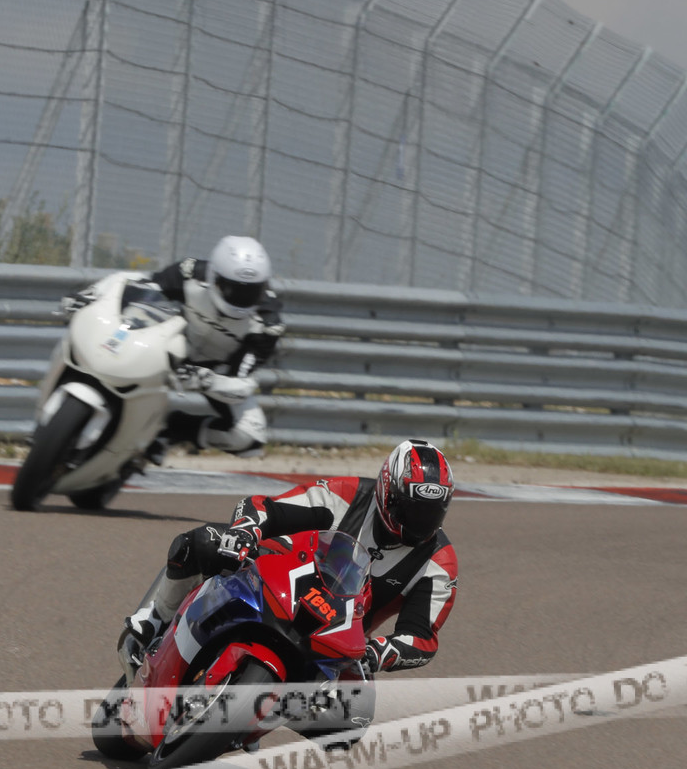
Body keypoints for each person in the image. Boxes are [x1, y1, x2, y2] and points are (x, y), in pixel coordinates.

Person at [121, 439, 459, 682]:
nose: (418, 523)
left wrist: (380, 652)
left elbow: (421, 636)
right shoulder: (347, 495)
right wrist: (246, 531)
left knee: (352, 718)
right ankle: (154, 620)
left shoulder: (439, 563)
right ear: (387, 492)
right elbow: (267, 508)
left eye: (431, 513)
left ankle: (246, 718)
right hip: (277, 584)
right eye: (410, 509)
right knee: (202, 543)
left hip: (335, 638)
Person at [146, 235, 284, 460]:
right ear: (214, 277)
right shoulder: (189, 273)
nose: (241, 298)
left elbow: (241, 384)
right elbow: (145, 292)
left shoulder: (268, 325)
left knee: (249, 436)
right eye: (232, 288)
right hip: (167, 347)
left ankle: (169, 430)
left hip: (217, 369)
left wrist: (207, 381)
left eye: (251, 291)